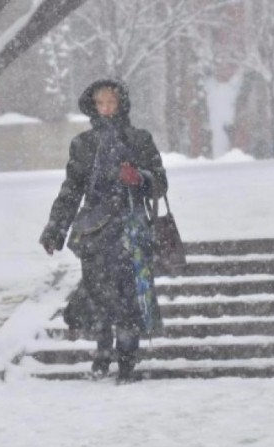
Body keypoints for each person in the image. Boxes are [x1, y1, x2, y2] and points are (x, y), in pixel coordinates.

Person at [39, 79, 167, 383]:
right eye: (101, 103)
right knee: (98, 293)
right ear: (93, 106)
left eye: (111, 102)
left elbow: (161, 183)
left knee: (129, 296)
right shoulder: (83, 144)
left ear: (121, 103)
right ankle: (102, 351)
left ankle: (126, 359)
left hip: (131, 229)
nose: (107, 108)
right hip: (95, 230)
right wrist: (55, 229)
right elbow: (71, 189)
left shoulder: (139, 139)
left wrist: (140, 177)